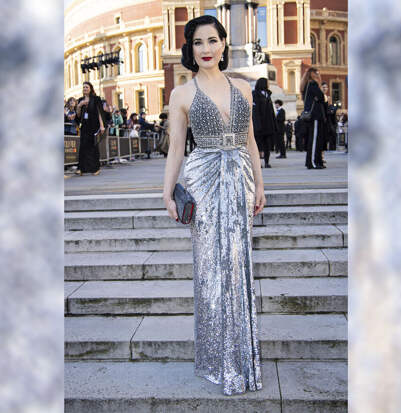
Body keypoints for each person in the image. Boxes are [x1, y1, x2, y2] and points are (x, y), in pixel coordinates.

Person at [162, 14, 264, 396]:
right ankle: (214, 359)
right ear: (190, 49)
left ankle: (240, 358)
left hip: (239, 180)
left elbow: (251, 141)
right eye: (197, 42)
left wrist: (260, 185)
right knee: (209, 269)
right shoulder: (181, 94)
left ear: (223, 44)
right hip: (203, 183)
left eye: (212, 40)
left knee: (237, 265)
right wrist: (167, 193)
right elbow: (176, 148)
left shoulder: (244, 89)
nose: (205, 48)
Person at [300, 68, 326, 169]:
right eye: (316, 73)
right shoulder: (312, 84)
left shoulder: (306, 85)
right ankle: (312, 162)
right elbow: (321, 97)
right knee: (314, 140)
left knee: (315, 139)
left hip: (312, 115)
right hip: (315, 116)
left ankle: (316, 161)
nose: (318, 75)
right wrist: (319, 97)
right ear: (312, 74)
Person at [75, 81, 104, 175]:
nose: (85, 89)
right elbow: (78, 115)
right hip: (84, 125)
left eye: (86, 87)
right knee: (83, 146)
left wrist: (102, 126)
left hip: (94, 125)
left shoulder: (96, 99)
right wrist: (80, 105)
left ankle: (96, 168)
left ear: (90, 88)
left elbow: (100, 113)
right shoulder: (80, 100)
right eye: (83, 87)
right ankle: (81, 168)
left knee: (93, 147)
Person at [252, 77, 276, 168]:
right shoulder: (255, 94)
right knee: (258, 145)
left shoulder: (268, 94)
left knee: (267, 145)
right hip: (259, 125)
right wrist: (257, 125)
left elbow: (271, 111)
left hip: (268, 124)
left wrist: (274, 125)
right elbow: (255, 111)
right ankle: (258, 163)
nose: (268, 84)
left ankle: (267, 162)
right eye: (267, 82)